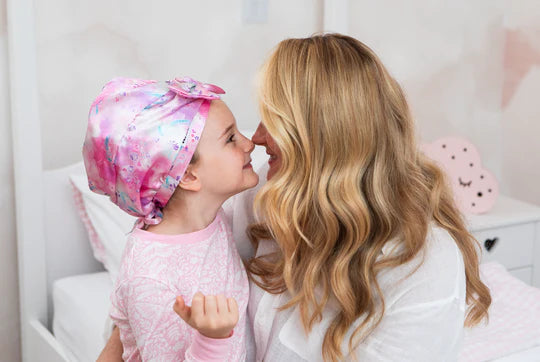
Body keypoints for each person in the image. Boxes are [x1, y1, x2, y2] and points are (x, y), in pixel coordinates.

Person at [98, 34, 491, 362]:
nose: (256, 139)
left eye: (275, 121)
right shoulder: (262, 195)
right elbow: (166, 276)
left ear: (322, 137)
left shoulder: (422, 264)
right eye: (233, 136)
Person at [85, 76, 259, 361]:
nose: (249, 143)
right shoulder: (150, 279)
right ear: (188, 176)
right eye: (230, 138)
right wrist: (212, 341)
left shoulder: (214, 217)